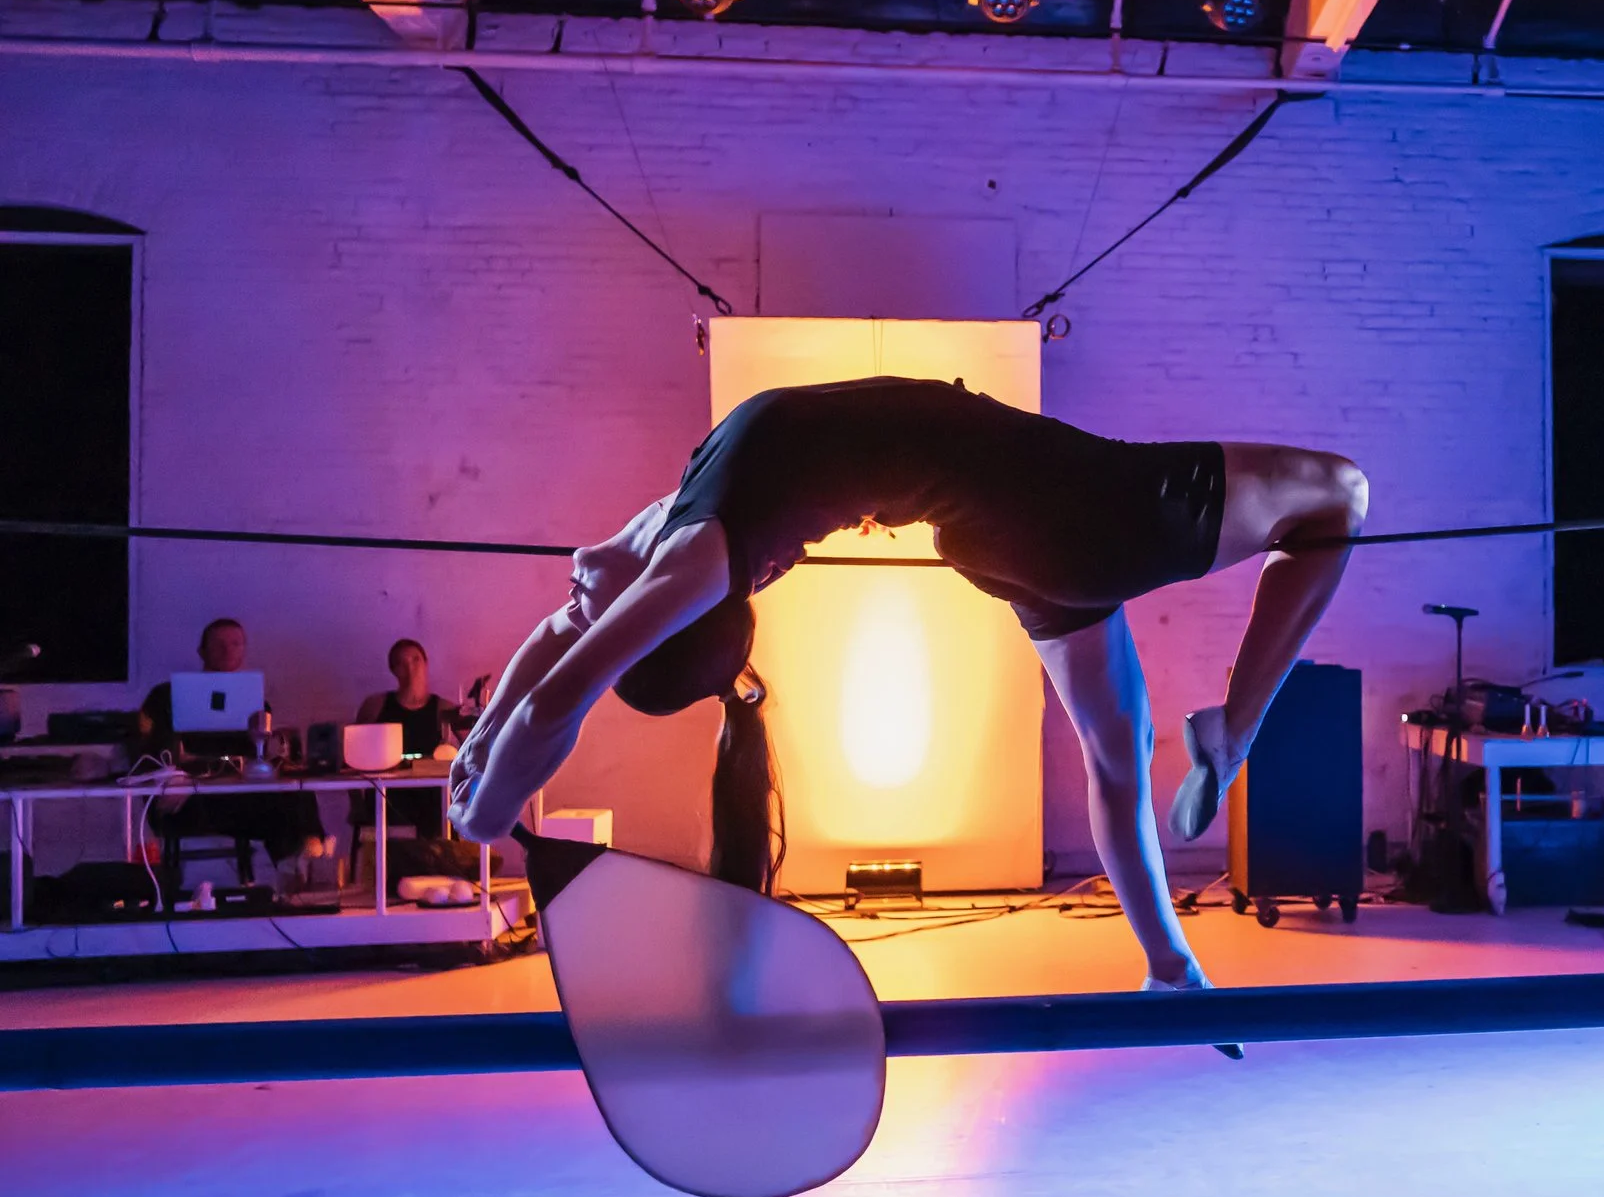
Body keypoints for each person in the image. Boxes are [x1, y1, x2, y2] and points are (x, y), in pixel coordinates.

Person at [449, 377, 1367, 997]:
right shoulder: (694, 554)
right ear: (663, 612)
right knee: (1339, 494)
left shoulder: (677, 513)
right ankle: (1235, 731)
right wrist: (486, 815)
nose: (577, 580)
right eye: (599, 608)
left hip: (1007, 530)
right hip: (1055, 501)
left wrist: (481, 742)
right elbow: (558, 696)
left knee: (1115, 756)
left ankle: (1169, 965)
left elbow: (563, 634)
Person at [135, 617, 329, 887]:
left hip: (237, 798)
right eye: (219, 644)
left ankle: (299, 857)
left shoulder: (257, 705)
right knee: (278, 814)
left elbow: (257, 758)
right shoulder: (165, 697)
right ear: (202, 651)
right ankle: (295, 859)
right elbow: (146, 747)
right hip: (190, 802)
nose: (228, 650)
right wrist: (172, 778)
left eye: (236, 644)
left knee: (295, 791)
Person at [354, 638, 465, 833]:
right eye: (401, 663)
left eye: (415, 660)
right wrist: (356, 803)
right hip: (386, 800)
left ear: (425, 663)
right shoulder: (375, 706)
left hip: (433, 802)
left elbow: (471, 753)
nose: (410, 668)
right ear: (393, 670)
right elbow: (352, 756)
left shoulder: (444, 709)